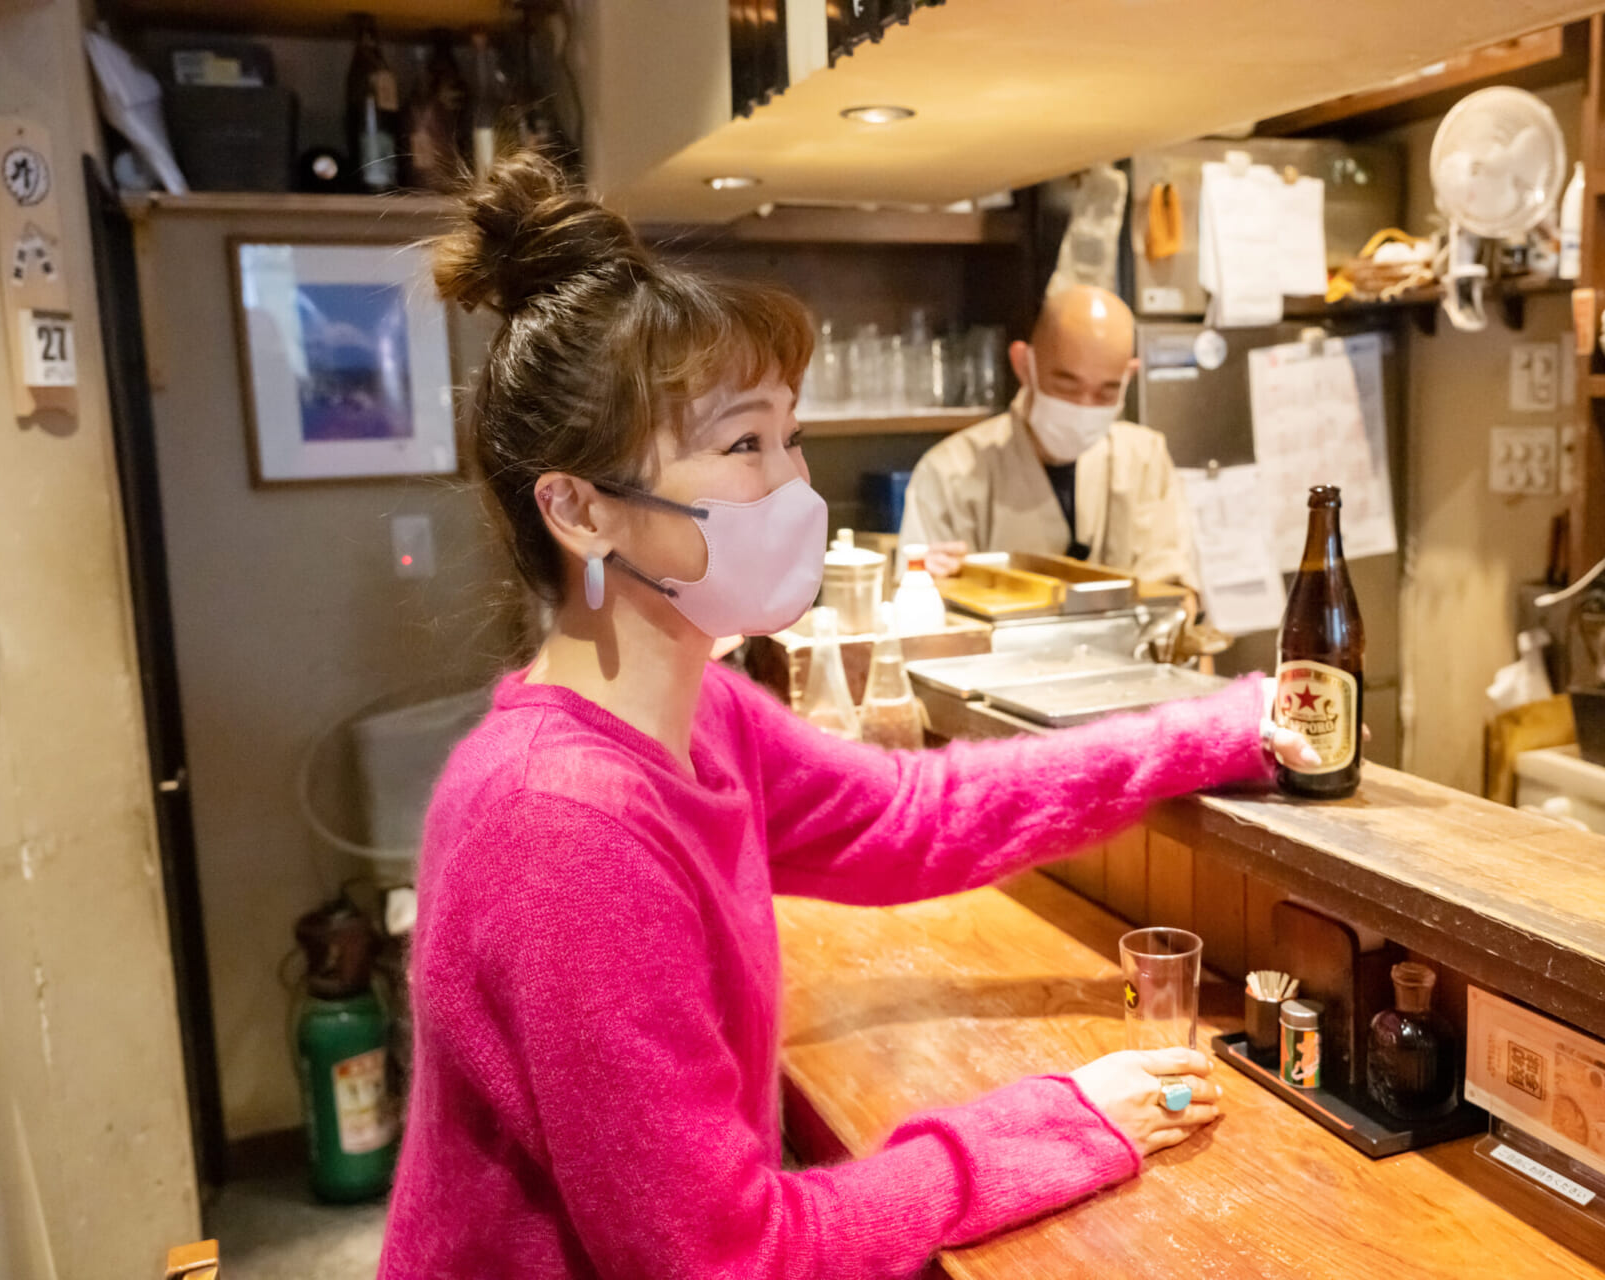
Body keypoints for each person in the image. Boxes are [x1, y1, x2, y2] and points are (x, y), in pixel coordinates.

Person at [378, 152, 1319, 1280]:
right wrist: (1056, 1124)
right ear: (580, 509)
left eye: (791, 437)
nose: (794, 489)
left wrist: (1221, 728)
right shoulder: (564, 829)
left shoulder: (701, 716)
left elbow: (921, 813)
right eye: (742, 446)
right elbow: (727, 1259)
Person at [898, 286, 1196, 583]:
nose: (1084, 405)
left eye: (1107, 391)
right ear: (1024, 365)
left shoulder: (1144, 459)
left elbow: (1175, 589)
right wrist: (930, 583)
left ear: (1128, 377)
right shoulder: (949, 472)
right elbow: (917, 604)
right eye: (1067, 386)